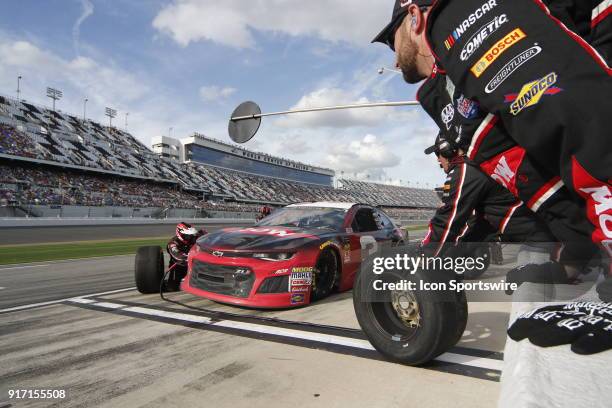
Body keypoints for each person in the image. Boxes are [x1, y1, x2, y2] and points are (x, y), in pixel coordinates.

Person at [373, 0, 610, 285]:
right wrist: (571, 261)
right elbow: (543, 183)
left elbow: (582, 126)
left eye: (392, 41)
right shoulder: (451, 83)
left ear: (414, 17)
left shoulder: (458, 19)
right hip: (576, 241)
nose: (395, 61)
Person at [420, 133, 558, 267]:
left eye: (438, 153)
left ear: (449, 150)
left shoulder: (466, 170)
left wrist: (423, 257)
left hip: (539, 239)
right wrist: (457, 252)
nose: (438, 159)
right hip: (545, 232)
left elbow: (448, 220)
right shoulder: (480, 163)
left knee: (525, 282)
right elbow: (482, 222)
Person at [166, 222, 207, 289]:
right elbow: (177, 256)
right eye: (187, 236)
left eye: (191, 236)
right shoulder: (173, 243)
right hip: (179, 265)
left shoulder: (197, 236)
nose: (190, 238)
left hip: (197, 264)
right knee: (172, 287)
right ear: (180, 234)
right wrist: (191, 258)